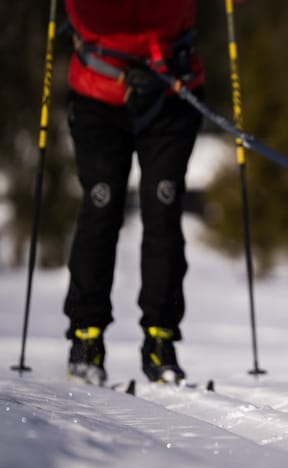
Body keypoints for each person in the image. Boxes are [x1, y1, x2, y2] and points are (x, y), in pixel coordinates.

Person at [63, 0, 205, 385]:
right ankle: (86, 335)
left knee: (163, 209)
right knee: (101, 205)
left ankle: (161, 339)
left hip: (172, 90)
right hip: (98, 92)